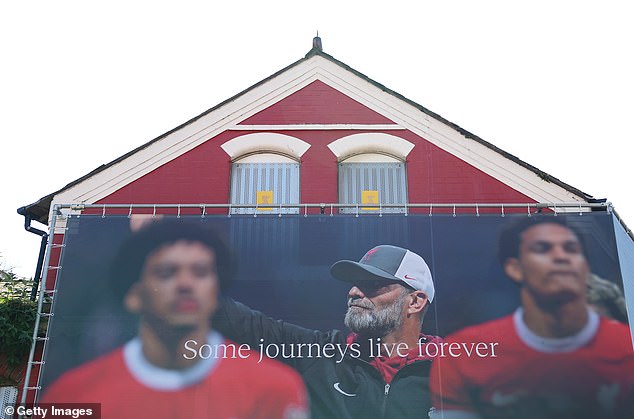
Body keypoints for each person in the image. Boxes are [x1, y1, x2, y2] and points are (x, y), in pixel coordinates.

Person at [41, 220, 308, 419]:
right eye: (167, 272)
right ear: (135, 295)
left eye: (200, 272)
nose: (185, 283)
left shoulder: (275, 387)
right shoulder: (72, 394)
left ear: (216, 291)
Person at [429, 217, 634, 419]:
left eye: (571, 248)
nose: (561, 257)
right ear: (514, 268)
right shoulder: (466, 362)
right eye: (543, 248)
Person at [215, 244, 442, 419]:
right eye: (355, 283)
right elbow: (244, 323)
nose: (354, 291)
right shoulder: (320, 355)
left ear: (415, 302)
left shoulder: (452, 368)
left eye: (373, 284)